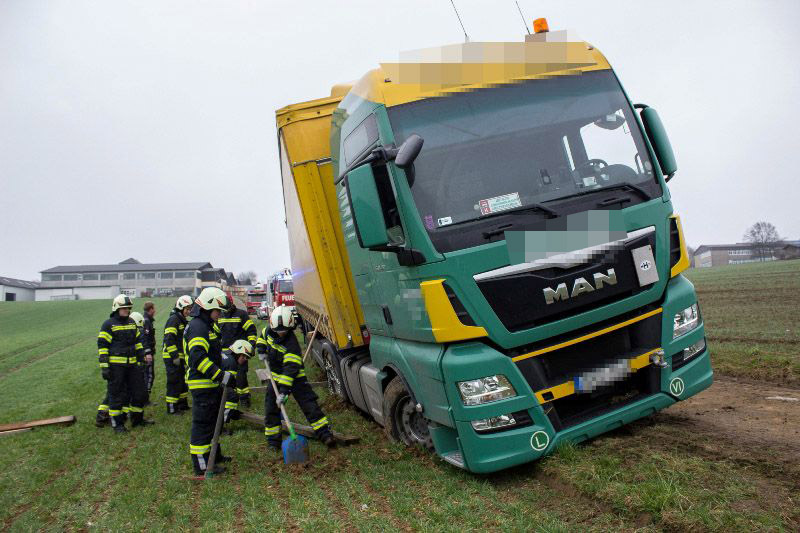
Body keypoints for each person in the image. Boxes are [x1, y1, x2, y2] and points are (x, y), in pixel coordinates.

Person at [257, 305, 335, 450]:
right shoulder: (268, 330)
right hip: (275, 377)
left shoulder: (292, 344)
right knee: (271, 408)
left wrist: (283, 392)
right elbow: (262, 337)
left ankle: (325, 434)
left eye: (284, 331)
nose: (281, 333)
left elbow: (290, 371)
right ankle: (273, 442)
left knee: (309, 405)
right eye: (278, 331)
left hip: (295, 378)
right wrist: (261, 349)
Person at [185, 287, 236, 476]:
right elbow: (198, 359)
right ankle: (202, 465)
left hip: (210, 384)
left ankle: (214, 456)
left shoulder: (206, 325)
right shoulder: (198, 327)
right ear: (207, 308)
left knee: (213, 423)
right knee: (203, 425)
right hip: (202, 385)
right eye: (217, 311)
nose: (219, 315)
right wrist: (220, 376)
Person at [97, 295, 152, 433]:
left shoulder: (132, 323)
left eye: (128, 308)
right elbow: (102, 347)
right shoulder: (108, 325)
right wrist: (105, 367)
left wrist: (141, 359)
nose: (127, 310)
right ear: (116, 308)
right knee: (116, 396)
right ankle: (118, 425)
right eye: (124, 308)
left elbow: (138, 343)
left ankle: (137, 420)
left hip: (133, 366)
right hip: (116, 368)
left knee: (139, 393)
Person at [219, 298, 257, 408]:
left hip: (240, 353)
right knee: (226, 377)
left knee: (241, 377)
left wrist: (250, 348)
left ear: (231, 303)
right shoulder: (220, 316)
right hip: (225, 354)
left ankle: (244, 398)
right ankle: (228, 398)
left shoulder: (241, 314)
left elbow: (251, 331)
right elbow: (216, 334)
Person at [163, 295, 192, 414]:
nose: (189, 311)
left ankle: (182, 404)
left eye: (190, 309)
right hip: (172, 357)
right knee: (174, 381)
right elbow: (169, 339)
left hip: (180, 357)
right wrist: (174, 356)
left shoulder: (182, 320)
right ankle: (172, 408)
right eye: (187, 309)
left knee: (182, 381)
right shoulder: (174, 319)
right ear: (181, 307)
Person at [141, 301, 157, 403]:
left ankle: (144, 398)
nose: (155, 310)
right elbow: (144, 338)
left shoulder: (147, 320)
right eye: (154, 308)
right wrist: (148, 353)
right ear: (150, 309)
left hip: (148, 352)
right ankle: (145, 399)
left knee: (146, 375)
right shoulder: (146, 321)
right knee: (149, 375)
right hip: (148, 354)